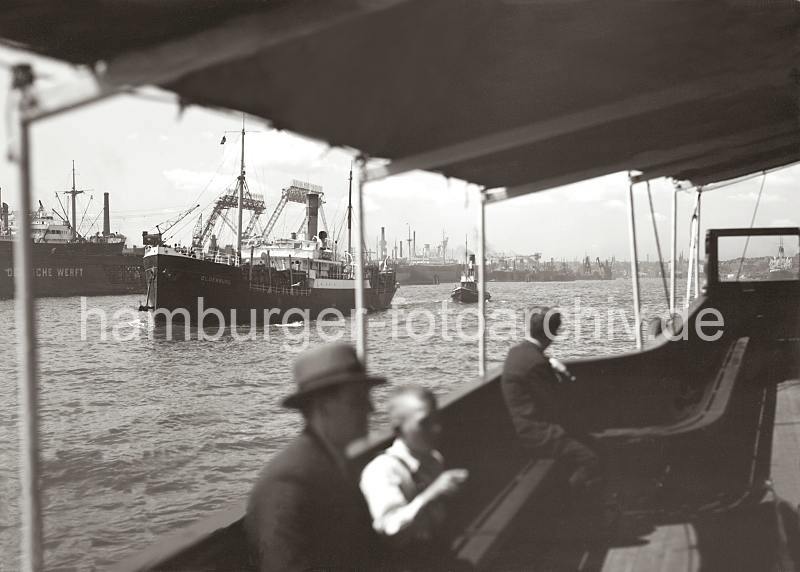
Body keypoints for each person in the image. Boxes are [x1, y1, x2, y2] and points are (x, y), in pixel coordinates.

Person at [244, 343, 383, 571]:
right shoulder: (287, 484)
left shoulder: (341, 464)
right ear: (324, 406)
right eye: (358, 399)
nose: (371, 408)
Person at [360, 385, 468, 566]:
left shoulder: (434, 460)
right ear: (398, 429)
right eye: (424, 423)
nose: (436, 429)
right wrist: (431, 494)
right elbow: (390, 530)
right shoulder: (383, 470)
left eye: (436, 420)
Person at [500, 307, 602, 497]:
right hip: (538, 435)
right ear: (552, 333)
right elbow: (557, 405)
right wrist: (566, 376)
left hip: (524, 429)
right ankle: (567, 502)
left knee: (589, 441)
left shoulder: (517, 352)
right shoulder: (537, 363)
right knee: (592, 459)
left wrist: (548, 362)